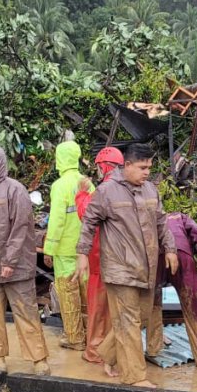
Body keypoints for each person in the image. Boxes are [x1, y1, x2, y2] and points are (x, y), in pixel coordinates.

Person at [76, 143, 178, 389]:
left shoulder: (151, 190)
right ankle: (135, 376)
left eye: (149, 168)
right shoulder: (107, 191)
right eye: (142, 168)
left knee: (140, 317)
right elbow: (89, 222)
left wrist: (171, 249)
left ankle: (108, 354)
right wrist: (82, 254)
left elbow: (162, 222)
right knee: (128, 321)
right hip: (120, 268)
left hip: (147, 267)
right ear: (127, 165)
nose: (146, 173)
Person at [0, 146, 51, 375]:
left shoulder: (15, 190)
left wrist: (9, 262)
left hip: (15, 267)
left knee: (26, 312)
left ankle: (38, 359)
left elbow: (21, 228)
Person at [75, 147, 122, 364]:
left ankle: (95, 351)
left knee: (98, 307)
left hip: (100, 258)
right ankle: (116, 351)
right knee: (118, 308)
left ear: (103, 167)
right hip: (122, 259)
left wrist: (81, 193)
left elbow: (87, 214)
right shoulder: (131, 187)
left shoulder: (103, 190)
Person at [44, 141, 92, 351]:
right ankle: (91, 336)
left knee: (68, 293)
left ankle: (74, 338)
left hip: (64, 250)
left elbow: (56, 221)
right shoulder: (87, 183)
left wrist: (49, 249)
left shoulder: (59, 185)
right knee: (86, 294)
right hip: (85, 250)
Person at [164, 212, 197, 368]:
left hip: (156, 257)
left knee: (147, 306)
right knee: (194, 306)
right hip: (182, 254)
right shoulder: (179, 217)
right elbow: (196, 231)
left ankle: (153, 347)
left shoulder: (148, 216)